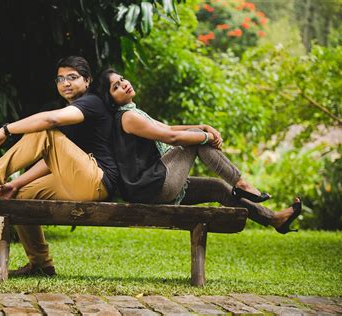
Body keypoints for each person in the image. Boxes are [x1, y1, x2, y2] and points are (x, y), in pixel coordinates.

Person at [0, 57, 118, 276]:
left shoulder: (92, 102)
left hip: (98, 180)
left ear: (88, 81)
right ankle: (41, 265)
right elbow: (51, 159)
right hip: (82, 180)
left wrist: (6, 130)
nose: (66, 83)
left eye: (72, 78)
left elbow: (48, 124)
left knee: (45, 130)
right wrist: (15, 183)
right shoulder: (72, 112)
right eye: (60, 79)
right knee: (20, 197)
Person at [90, 68, 301, 234]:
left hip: (155, 185)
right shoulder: (128, 117)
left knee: (217, 187)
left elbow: (169, 128)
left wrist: (202, 127)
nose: (124, 85)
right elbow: (171, 138)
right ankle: (240, 181)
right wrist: (206, 137)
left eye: (122, 80)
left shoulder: (133, 112)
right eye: (116, 87)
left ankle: (274, 219)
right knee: (196, 141)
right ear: (111, 99)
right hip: (152, 187)